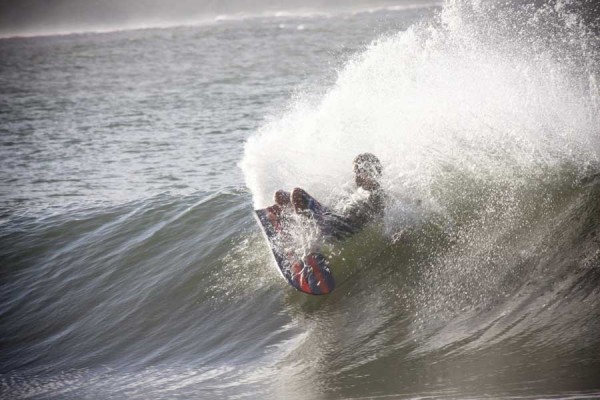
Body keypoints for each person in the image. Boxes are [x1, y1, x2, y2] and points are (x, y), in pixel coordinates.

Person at [272, 153, 385, 239]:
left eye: (359, 173)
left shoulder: (377, 195)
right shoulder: (361, 190)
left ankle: (306, 241)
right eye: (355, 173)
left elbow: (380, 221)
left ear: (370, 172)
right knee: (279, 195)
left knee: (297, 193)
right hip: (332, 216)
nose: (356, 177)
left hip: (341, 228)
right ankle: (293, 224)